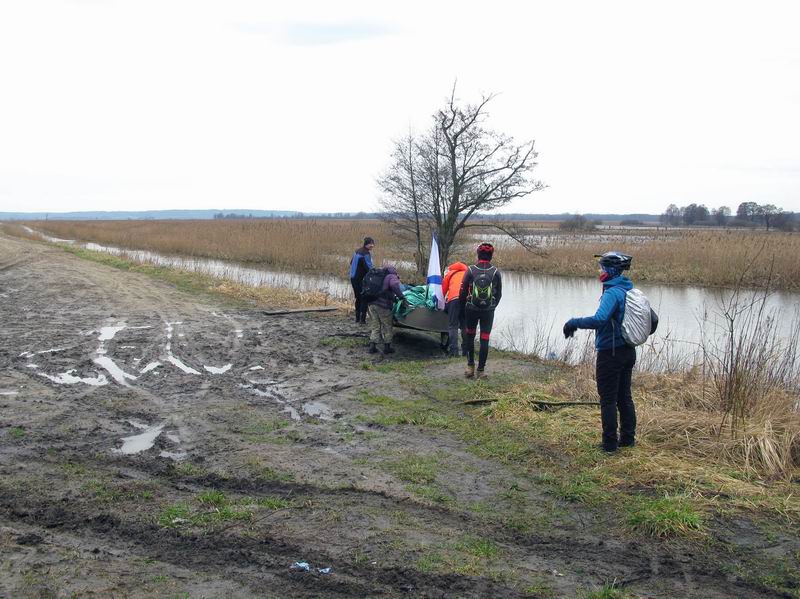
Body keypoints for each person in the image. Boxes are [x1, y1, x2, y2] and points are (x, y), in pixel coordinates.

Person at [563, 251, 637, 453]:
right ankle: (628, 440)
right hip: (628, 350)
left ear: (611, 270)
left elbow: (600, 319)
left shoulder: (612, 292)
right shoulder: (627, 289)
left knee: (608, 399)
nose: (600, 271)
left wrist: (573, 323)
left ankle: (610, 444)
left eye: (603, 268)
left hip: (611, 352)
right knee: (624, 397)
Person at [459, 243, 502, 379]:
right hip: (488, 311)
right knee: (484, 338)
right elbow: (499, 294)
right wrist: (492, 306)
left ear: (478, 255)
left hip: (471, 308)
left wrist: (463, 307)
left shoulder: (470, 270)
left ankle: (470, 367)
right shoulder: (496, 272)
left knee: (470, 336)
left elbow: (462, 292)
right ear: (491, 256)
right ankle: (481, 371)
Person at [367, 265, 407, 355]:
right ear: (394, 271)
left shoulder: (378, 275)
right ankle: (387, 347)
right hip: (383, 305)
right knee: (387, 325)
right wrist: (401, 297)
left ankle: (372, 346)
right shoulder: (391, 276)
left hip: (371, 303)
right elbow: (394, 285)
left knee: (375, 325)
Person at [442, 261, 468, 357]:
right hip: (466, 300)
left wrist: (442, 303)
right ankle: (466, 351)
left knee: (453, 325)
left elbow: (443, 290)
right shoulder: (468, 273)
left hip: (454, 299)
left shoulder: (450, 274)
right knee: (465, 325)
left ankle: (454, 351)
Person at [349, 237, 374, 324]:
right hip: (360, 279)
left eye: (373, 243)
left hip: (353, 278)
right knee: (364, 298)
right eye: (370, 243)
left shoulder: (357, 251)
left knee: (358, 298)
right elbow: (369, 268)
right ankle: (362, 320)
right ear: (366, 244)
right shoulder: (365, 253)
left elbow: (351, 262)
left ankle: (357, 319)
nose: (372, 245)